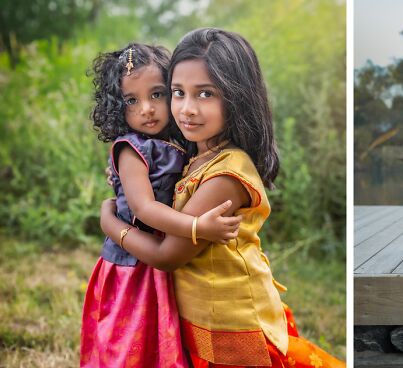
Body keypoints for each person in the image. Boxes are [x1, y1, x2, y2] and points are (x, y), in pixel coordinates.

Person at [99, 29, 344, 367]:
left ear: (237, 98)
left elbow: (166, 256)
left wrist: (111, 223)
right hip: (204, 321)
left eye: (205, 94)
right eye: (177, 93)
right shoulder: (193, 154)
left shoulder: (225, 177)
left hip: (234, 328)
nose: (187, 109)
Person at [81, 43, 240, 367]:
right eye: (132, 101)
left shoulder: (177, 141)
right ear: (117, 107)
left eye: (157, 95)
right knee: (129, 341)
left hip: (160, 255)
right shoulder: (131, 148)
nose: (147, 109)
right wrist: (197, 226)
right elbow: (143, 208)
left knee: (158, 340)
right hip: (133, 263)